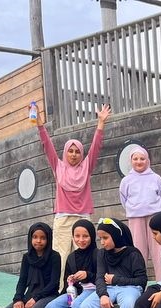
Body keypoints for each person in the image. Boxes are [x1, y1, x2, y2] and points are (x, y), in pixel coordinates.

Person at [37, 103, 110, 282]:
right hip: (63, 218)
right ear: (65, 153)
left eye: (77, 151)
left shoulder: (86, 167)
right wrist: (39, 124)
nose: (74, 154)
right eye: (70, 151)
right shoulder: (58, 166)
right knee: (60, 257)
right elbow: (47, 145)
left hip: (82, 218)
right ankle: (59, 289)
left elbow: (96, 147)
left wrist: (101, 123)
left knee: (84, 257)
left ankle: (85, 287)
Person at [119, 145, 161, 280]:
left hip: (155, 217)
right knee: (138, 250)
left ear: (147, 160)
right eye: (135, 159)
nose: (139, 162)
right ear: (131, 161)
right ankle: (139, 282)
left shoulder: (156, 178)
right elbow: (123, 199)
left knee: (158, 250)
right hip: (135, 219)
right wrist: (135, 209)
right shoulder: (126, 181)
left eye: (142, 158)